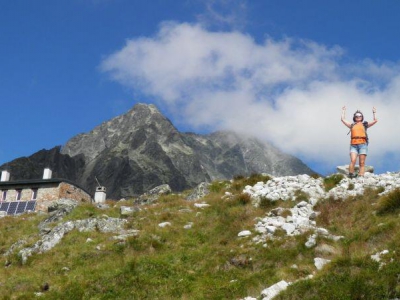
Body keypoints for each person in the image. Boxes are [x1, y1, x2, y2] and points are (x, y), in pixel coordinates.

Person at [341, 106, 378, 178]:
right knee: (353, 160)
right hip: (353, 145)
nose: (358, 117)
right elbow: (342, 119)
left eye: (360, 116)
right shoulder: (352, 125)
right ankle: (351, 175)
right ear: (354, 117)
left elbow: (375, 120)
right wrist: (343, 111)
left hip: (363, 144)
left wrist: (374, 112)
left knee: (362, 162)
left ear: (362, 117)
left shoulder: (365, 125)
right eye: (357, 116)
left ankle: (361, 176)